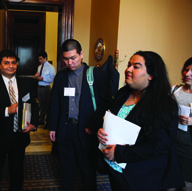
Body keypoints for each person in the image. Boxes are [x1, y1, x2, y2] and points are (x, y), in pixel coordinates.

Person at [97, 51, 185, 191]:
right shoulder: (123, 93)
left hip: (142, 176)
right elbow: (113, 120)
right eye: (129, 65)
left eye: (136, 66)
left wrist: (119, 153)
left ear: (151, 75)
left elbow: (160, 145)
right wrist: (102, 132)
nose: (128, 70)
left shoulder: (164, 104)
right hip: (116, 169)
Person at [49, 39, 113, 191]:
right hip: (65, 129)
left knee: (87, 170)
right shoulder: (61, 77)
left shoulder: (96, 75)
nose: (69, 63)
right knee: (66, 168)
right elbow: (55, 103)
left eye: (73, 58)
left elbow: (105, 103)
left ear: (81, 54)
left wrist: (94, 123)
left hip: (86, 129)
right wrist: (52, 127)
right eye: (65, 59)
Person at [0, 50, 39, 191]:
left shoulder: (27, 84)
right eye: (6, 63)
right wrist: (7, 110)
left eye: (13, 63)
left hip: (19, 135)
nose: (10, 66)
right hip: (0, 136)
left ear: (17, 64)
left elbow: (34, 106)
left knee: (17, 170)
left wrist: (34, 124)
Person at [171, 57, 192, 191]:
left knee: (187, 185)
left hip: (189, 148)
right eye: (186, 69)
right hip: (172, 143)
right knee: (169, 183)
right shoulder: (174, 90)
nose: (187, 74)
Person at [35, 51, 55, 126]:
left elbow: (52, 79)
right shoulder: (39, 67)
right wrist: (37, 76)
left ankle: (48, 122)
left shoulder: (50, 67)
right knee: (41, 105)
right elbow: (38, 76)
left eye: (41, 59)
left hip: (46, 88)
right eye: (39, 59)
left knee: (47, 105)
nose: (39, 60)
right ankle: (41, 120)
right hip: (39, 87)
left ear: (45, 58)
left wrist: (43, 78)